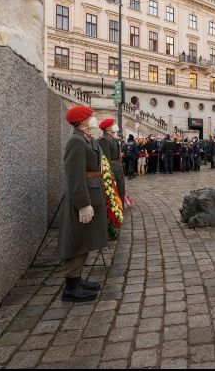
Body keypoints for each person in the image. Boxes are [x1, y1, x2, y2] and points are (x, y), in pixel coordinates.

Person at [56, 105, 108, 302]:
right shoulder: (76, 141)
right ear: (82, 120)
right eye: (89, 116)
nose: (92, 118)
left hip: (92, 194)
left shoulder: (85, 138)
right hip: (84, 197)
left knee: (85, 239)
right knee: (77, 240)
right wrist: (83, 203)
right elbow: (75, 176)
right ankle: (70, 286)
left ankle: (77, 280)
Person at [97, 119, 125, 204]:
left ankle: (120, 208)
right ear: (108, 128)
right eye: (113, 124)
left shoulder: (113, 138)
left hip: (118, 168)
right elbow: (106, 159)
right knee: (115, 191)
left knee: (121, 190)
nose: (115, 126)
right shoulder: (104, 139)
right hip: (113, 169)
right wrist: (110, 175)